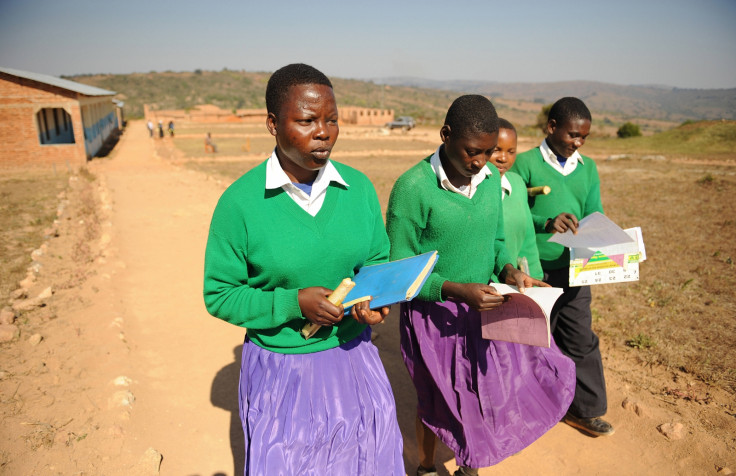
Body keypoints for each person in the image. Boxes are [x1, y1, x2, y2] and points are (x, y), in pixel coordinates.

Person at [203, 63, 404, 475]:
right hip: (283, 371)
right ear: (273, 124)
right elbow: (220, 294)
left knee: (369, 459)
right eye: (308, 120)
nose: (324, 131)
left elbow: (376, 264)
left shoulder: (359, 189)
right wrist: (293, 302)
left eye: (332, 119)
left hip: (354, 358)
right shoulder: (240, 204)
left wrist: (373, 306)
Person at [386, 95, 575, 476]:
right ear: (445, 135)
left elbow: (497, 241)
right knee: (437, 400)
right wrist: (456, 291)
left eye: (488, 152)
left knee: (480, 392)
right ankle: (426, 466)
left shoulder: (491, 183)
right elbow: (398, 271)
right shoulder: (413, 188)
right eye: (472, 151)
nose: (480, 162)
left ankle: (470, 465)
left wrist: (507, 271)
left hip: (484, 308)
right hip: (433, 316)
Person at [510, 97, 613, 437]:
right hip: (535, 268)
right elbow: (513, 212)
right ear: (551, 127)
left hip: (576, 266)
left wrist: (606, 242)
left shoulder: (588, 168)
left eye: (584, 137)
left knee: (579, 337)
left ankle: (585, 410)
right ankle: (523, 409)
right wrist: (547, 221)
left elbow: (593, 212)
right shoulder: (522, 163)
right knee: (532, 339)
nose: (577, 143)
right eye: (572, 135)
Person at [488, 118, 544, 280]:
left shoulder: (517, 184)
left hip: (513, 282)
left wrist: (535, 277)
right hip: (479, 288)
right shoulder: (471, 189)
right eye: (497, 150)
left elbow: (527, 238)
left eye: (511, 152)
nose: (503, 158)